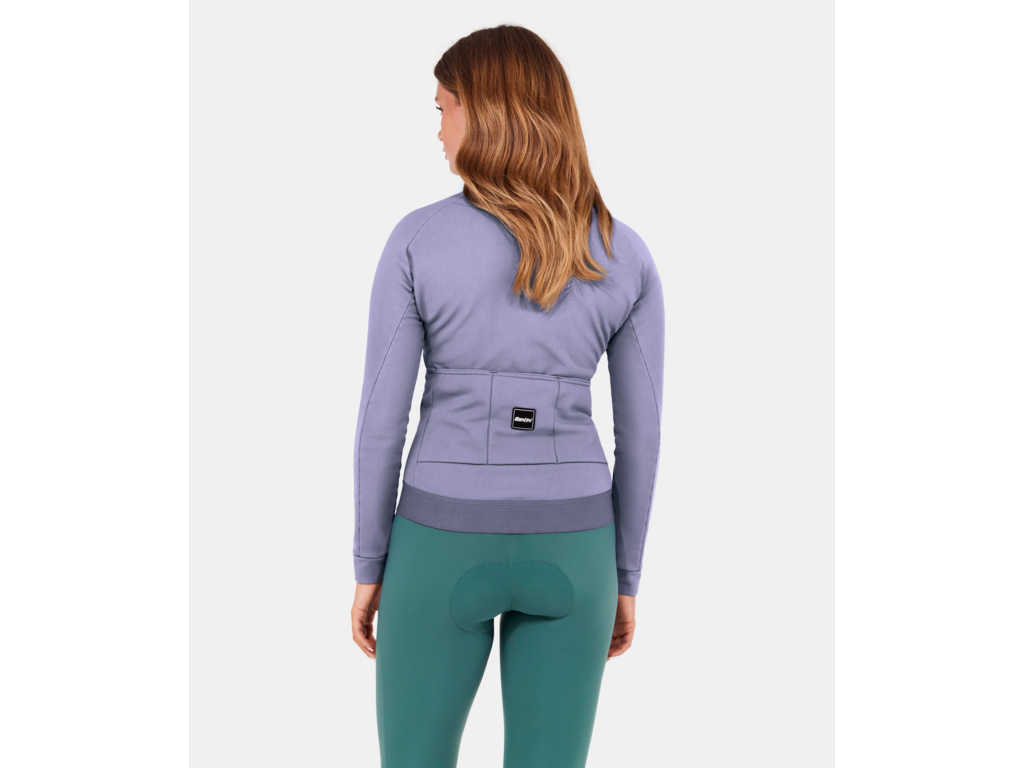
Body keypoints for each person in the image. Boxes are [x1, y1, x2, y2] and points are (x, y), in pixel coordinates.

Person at [349, 24, 665, 768]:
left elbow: (380, 425)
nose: (437, 129)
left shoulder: (417, 241)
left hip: (438, 543)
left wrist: (369, 564)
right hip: (576, 548)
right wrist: (624, 576)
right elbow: (643, 436)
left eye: (443, 108)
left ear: (485, 111)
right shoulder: (623, 253)